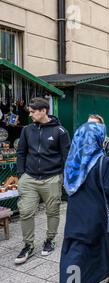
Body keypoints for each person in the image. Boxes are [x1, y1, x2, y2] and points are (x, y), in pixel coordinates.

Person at [59, 122, 109, 283]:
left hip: (76, 210)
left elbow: (67, 187)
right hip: (97, 210)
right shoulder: (102, 160)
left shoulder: (71, 159)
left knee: (76, 245)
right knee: (89, 245)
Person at [15, 98, 71, 265]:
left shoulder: (60, 131)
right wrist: (21, 175)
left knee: (52, 211)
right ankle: (28, 245)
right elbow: (21, 153)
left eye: (33, 112)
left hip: (52, 178)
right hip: (30, 178)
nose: (30, 115)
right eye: (30, 112)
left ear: (44, 110)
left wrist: (61, 177)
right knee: (25, 211)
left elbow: (66, 157)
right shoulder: (27, 130)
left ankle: (50, 240)